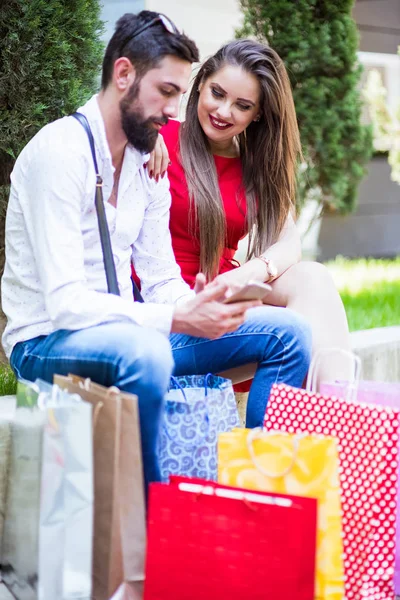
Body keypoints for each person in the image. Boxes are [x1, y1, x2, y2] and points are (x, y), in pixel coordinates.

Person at [1, 12, 312, 488]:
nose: (174, 112)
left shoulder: (147, 161)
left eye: (178, 95)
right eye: (166, 92)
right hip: (46, 341)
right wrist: (177, 320)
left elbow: (160, 276)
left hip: (131, 331)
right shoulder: (59, 154)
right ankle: (149, 521)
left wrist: (197, 305)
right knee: (144, 355)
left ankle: (258, 501)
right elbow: (65, 307)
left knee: (289, 335)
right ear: (123, 74)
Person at [147, 39, 351, 386]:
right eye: (217, 93)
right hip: (169, 306)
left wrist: (251, 273)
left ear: (258, 113)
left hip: (226, 291)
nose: (224, 111)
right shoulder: (160, 137)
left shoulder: (254, 168)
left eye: (242, 105)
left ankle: (337, 419)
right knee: (290, 335)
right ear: (201, 84)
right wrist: (142, 134)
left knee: (313, 278)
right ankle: (327, 427)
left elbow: (288, 241)